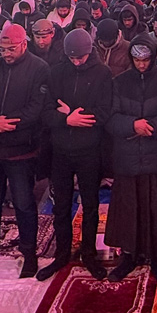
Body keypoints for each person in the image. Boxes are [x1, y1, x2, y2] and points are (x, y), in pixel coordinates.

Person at [0, 22, 51, 279]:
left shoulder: (39, 69)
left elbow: (36, 110)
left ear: (24, 44)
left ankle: (29, 254)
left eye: (11, 48)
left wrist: (3, 126)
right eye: (2, 49)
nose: (6, 53)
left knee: (24, 204)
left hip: (21, 151)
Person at [105, 33, 157, 286]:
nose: (142, 65)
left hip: (155, 155)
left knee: (155, 209)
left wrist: (153, 127)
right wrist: (131, 126)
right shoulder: (119, 82)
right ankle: (129, 256)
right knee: (128, 209)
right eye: (137, 60)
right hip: (127, 156)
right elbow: (110, 118)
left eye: (146, 60)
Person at [39, 28, 112, 281]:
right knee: (61, 204)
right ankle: (61, 253)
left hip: (90, 149)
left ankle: (89, 254)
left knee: (90, 205)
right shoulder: (57, 72)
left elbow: (105, 111)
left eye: (80, 58)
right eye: (73, 58)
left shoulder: (102, 73)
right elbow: (46, 112)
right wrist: (66, 119)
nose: (77, 62)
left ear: (89, 53)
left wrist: (78, 116)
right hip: (61, 149)